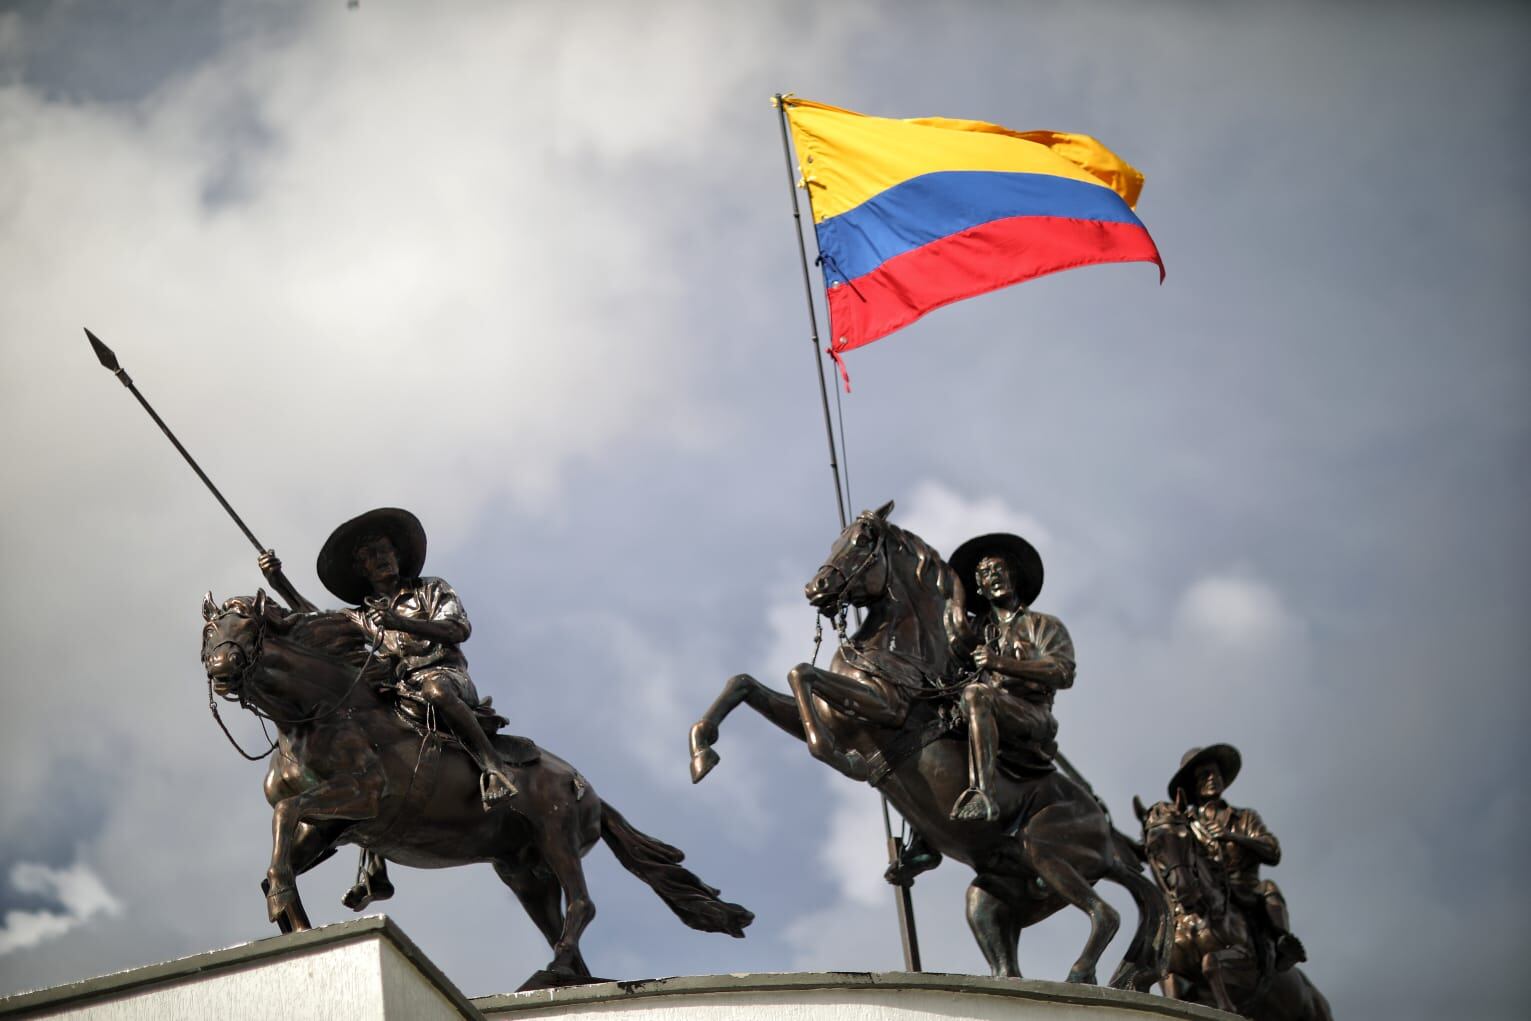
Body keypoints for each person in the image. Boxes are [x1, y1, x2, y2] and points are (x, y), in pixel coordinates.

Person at [946, 533, 1075, 823]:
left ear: (1013, 576)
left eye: (998, 569)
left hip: (1031, 715)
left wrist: (1000, 664)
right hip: (983, 713)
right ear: (978, 588)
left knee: (976, 695)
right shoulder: (975, 631)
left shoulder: (1042, 625)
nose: (993, 577)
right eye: (985, 573)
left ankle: (984, 795)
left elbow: (1062, 673)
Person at [1169, 744, 1307, 971]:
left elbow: (1272, 851)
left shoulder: (1245, 817)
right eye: (1205, 775)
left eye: (1216, 773)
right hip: (1204, 895)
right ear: (1193, 786)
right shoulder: (1187, 825)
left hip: (1244, 889)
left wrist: (1232, 836)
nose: (1213, 779)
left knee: (1269, 888)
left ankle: (1283, 944)